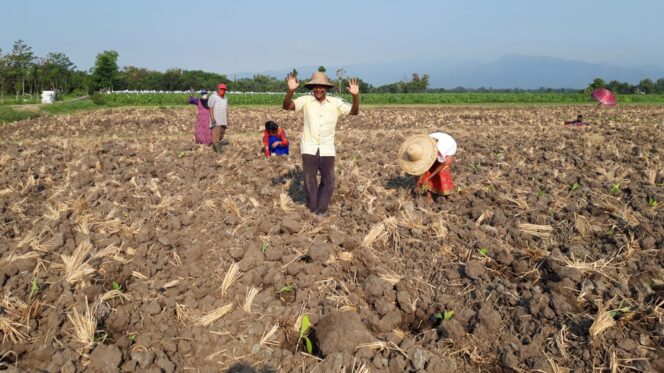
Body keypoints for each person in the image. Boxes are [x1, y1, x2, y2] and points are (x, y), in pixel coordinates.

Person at [282, 72, 360, 216]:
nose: (318, 90)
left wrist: (355, 96)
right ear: (312, 88)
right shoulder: (305, 101)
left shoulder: (336, 103)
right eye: (315, 87)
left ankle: (322, 209)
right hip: (309, 146)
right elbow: (287, 106)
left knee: (328, 180)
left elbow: (354, 112)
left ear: (326, 88)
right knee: (309, 179)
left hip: (327, 148)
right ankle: (312, 208)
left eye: (322, 87)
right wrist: (291, 91)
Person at [398, 133, 457, 202]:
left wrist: (428, 178)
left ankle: (442, 191)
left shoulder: (440, 150)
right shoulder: (420, 147)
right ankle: (428, 193)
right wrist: (417, 182)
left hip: (449, 145)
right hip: (436, 142)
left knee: (442, 170)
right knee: (426, 169)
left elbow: (442, 164)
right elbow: (420, 169)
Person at [208, 83, 229, 153]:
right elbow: (210, 107)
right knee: (216, 136)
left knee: (221, 136)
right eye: (222, 89)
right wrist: (212, 118)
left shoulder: (225, 98)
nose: (223, 91)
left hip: (223, 120)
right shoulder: (213, 96)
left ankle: (218, 149)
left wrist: (227, 120)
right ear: (218, 89)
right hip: (216, 120)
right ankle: (217, 152)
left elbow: (226, 109)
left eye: (224, 90)